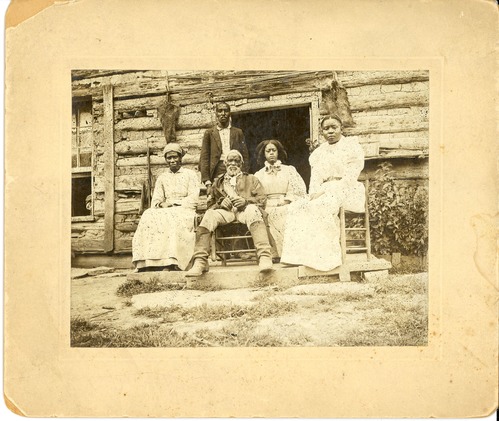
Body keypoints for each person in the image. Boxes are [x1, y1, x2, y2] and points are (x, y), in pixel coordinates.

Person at [280, 115, 365, 272]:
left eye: (334, 127)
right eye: (326, 128)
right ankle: (297, 257)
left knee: (322, 206)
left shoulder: (352, 148)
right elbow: (315, 180)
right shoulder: (318, 153)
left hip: (347, 188)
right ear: (322, 132)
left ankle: (327, 259)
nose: (330, 131)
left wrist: (325, 190)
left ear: (341, 129)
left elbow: (350, 177)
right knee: (298, 206)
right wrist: (313, 194)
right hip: (324, 191)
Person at [186, 150, 273, 277]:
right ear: (225, 163)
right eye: (230, 161)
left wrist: (246, 201)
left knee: (253, 210)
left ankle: (265, 257)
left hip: (244, 211)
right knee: (209, 215)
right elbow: (209, 205)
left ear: (241, 164)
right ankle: (200, 261)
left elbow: (262, 200)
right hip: (226, 213)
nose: (233, 164)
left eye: (237, 161)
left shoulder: (252, 179)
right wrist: (221, 204)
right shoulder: (218, 183)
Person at [132, 143, 200, 272]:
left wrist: (176, 204)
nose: (172, 161)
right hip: (165, 209)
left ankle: (171, 261)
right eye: (169, 158)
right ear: (166, 160)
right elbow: (157, 199)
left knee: (173, 216)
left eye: (175, 157)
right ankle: (146, 262)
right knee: (148, 215)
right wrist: (162, 204)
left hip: (184, 209)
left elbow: (193, 198)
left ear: (181, 158)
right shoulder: (162, 177)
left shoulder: (190, 175)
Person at [254, 140, 306, 259]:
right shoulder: (259, 174)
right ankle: (274, 253)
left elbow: (297, 190)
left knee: (293, 213)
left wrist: (286, 200)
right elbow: (257, 195)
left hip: (286, 202)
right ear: (264, 154)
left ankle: (292, 254)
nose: (271, 153)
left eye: (274, 150)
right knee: (267, 216)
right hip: (267, 205)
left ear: (278, 152)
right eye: (268, 151)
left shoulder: (289, 170)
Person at [199, 102, 249, 193]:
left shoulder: (238, 132)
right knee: (219, 195)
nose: (223, 113)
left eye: (226, 111)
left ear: (230, 113)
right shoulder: (209, 133)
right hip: (217, 169)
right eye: (220, 111)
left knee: (236, 193)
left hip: (235, 167)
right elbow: (204, 157)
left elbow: (245, 155)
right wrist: (207, 181)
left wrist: (245, 174)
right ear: (216, 114)